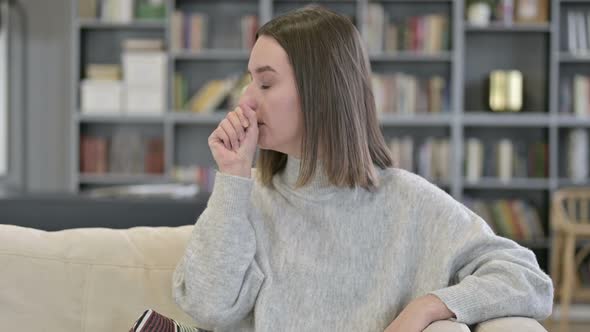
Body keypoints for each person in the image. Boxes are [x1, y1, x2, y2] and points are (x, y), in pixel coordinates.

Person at [171, 5, 553, 332]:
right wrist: (234, 175)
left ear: (321, 91)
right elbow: (207, 307)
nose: (247, 100)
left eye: (266, 83)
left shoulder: (410, 202)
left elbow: (528, 279)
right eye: (248, 81)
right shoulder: (244, 198)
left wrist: (430, 306)